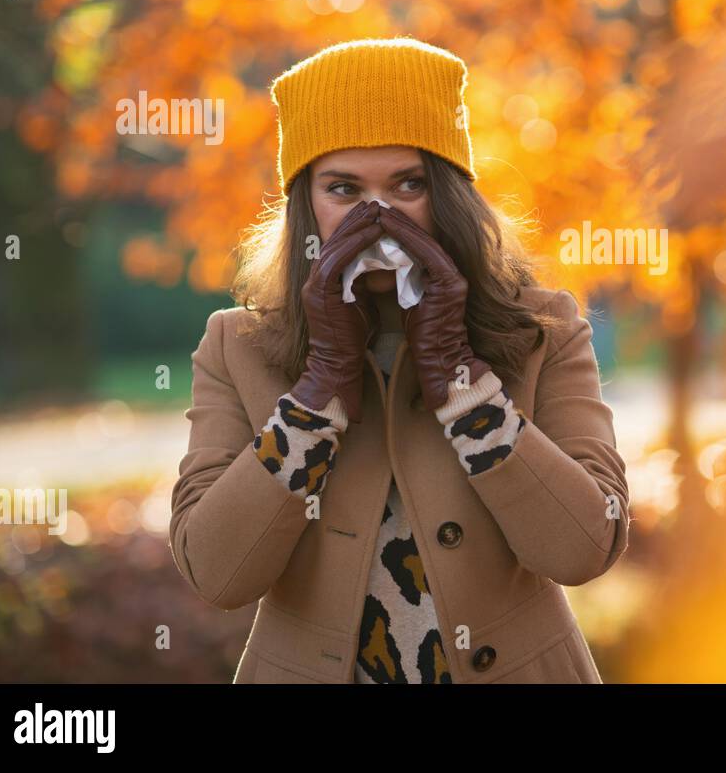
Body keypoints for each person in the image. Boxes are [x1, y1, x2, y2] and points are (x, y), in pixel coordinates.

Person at [169, 37, 630, 683]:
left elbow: (586, 548)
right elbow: (215, 572)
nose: (377, 216)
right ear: (307, 203)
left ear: (447, 197)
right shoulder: (235, 347)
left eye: (408, 184)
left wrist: (464, 390)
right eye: (344, 188)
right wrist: (317, 393)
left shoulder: (542, 328)